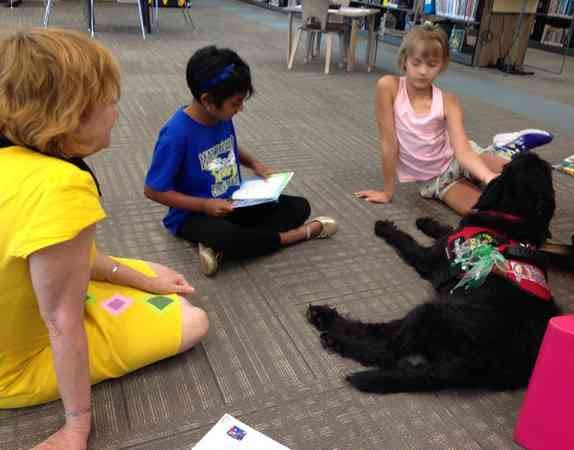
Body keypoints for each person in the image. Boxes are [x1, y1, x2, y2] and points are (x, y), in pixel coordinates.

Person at [0, 29, 209, 450]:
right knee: (192, 320)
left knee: (155, 275)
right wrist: (76, 427)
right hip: (13, 368)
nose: (116, 113)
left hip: (21, 303)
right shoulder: (61, 185)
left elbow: (38, 250)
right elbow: (61, 322)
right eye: (110, 101)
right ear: (71, 114)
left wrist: (139, 279)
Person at [144, 46, 337, 277]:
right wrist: (205, 206)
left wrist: (256, 164)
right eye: (235, 104)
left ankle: (220, 249)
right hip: (192, 214)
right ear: (207, 101)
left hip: (233, 201)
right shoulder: (175, 134)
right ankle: (297, 235)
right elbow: (153, 190)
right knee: (230, 236)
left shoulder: (220, 117)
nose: (241, 109)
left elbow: (229, 147)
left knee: (298, 206)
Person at [354, 23, 546, 216]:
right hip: (436, 180)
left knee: (526, 179)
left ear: (442, 65)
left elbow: (462, 152)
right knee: (487, 213)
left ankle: (501, 150)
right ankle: (500, 151)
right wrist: (387, 192)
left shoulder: (449, 101)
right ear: (404, 60)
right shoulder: (388, 87)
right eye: (416, 62)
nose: (422, 71)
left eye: (431, 65)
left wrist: (489, 178)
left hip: (460, 157)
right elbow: (388, 143)